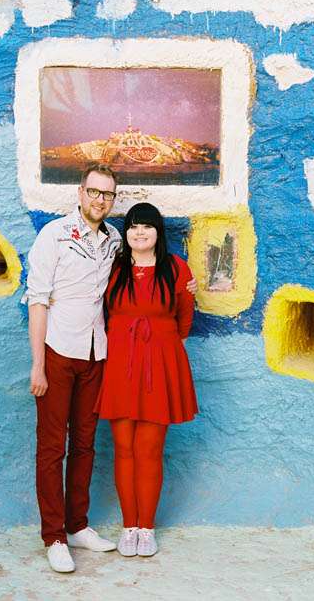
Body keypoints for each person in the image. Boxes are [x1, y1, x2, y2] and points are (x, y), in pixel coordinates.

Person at [27, 162, 121, 572]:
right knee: (52, 448)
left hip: (96, 354)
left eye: (108, 194)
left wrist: (182, 283)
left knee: (85, 443)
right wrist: (38, 365)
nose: (100, 199)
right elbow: (38, 300)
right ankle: (54, 536)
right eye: (94, 191)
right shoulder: (55, 235)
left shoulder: (115, 240)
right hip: (57, 351)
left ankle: (78, 525)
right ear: (80, 193)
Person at [95, 202, 198, 558]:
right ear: (126, 233)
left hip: (159, 365)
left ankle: (147, 528)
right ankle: (129, 527)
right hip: (120, 364)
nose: (140, 233)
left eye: (147, 226)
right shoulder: (113, 268)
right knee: (123, 448)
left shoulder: (177, 269)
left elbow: (184, 321)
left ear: (158, 232)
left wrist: (159, 346)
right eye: (134, 226)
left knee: (150, 449)